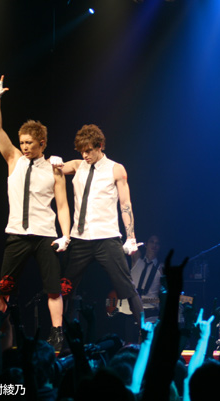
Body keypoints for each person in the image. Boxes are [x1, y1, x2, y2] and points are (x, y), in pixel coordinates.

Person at [0, 76, 70, 351]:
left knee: (53, 288)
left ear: (42, 143)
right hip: (17, 234)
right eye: (22, 142)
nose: (24, 146)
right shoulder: (14, 159)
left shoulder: (54, 169)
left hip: (45, 234)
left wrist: (66, 235)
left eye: (29, 143)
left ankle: (57, 334)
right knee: (4, 287)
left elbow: (62, 205)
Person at [55, 124, 144, 331]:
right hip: (80, 238)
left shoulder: (116, 169)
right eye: (82, 151)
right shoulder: (77, 165)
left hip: (107, 237)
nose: (85, 155)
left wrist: (131, 237)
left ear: (100, 146)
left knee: (127, 287)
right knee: (64, 287)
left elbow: (125, 204)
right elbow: (52, 170)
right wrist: (53, 161)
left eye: (89, 151)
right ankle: (59, 334)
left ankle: (145, 333)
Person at [130, 235, 163, 322]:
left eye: (157, 243)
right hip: (132, 310)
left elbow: (162, 293)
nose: (154, 245)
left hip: (150, 311)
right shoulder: (137, 260)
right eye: (152, 242)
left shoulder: (161, 267)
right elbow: (130, 241)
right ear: (146, 244)